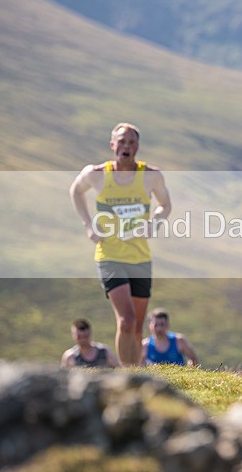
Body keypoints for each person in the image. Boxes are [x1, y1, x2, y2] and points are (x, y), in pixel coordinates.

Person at [69, 122, 171, 366]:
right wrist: (88, 224)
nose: (126, 146)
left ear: (137, 147)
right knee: (125, 321)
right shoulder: (96, 174)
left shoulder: (151, 176)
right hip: (109, 255)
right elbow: (75, 191)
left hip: (140, 258)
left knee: (135, 326)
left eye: (131, 142)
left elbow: (165, 205)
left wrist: (154, 223)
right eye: (121, 142)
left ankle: (136, 373)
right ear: (112, 145)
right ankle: (128, 376)